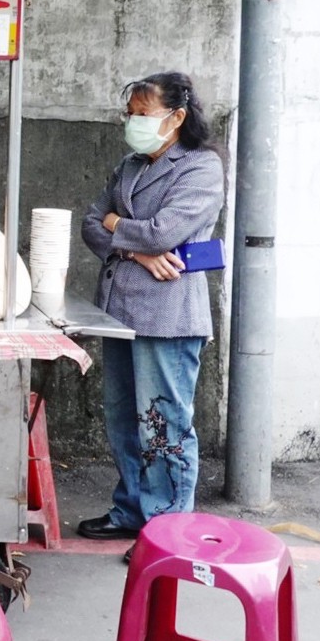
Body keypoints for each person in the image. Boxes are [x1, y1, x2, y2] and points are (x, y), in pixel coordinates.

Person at [78, 72, 224, 551]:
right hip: (120, 310)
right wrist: (136, 250)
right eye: (131, 114)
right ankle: (131, 510)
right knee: (123, 418)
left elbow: (164, 230)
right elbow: (89, 224)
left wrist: (118, 223)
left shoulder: (200, 168)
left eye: (142, 114)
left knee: (163, 424)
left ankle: (167, 531)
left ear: (176, 117)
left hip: (168, 315)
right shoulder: (130, 165)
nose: (132, 122)